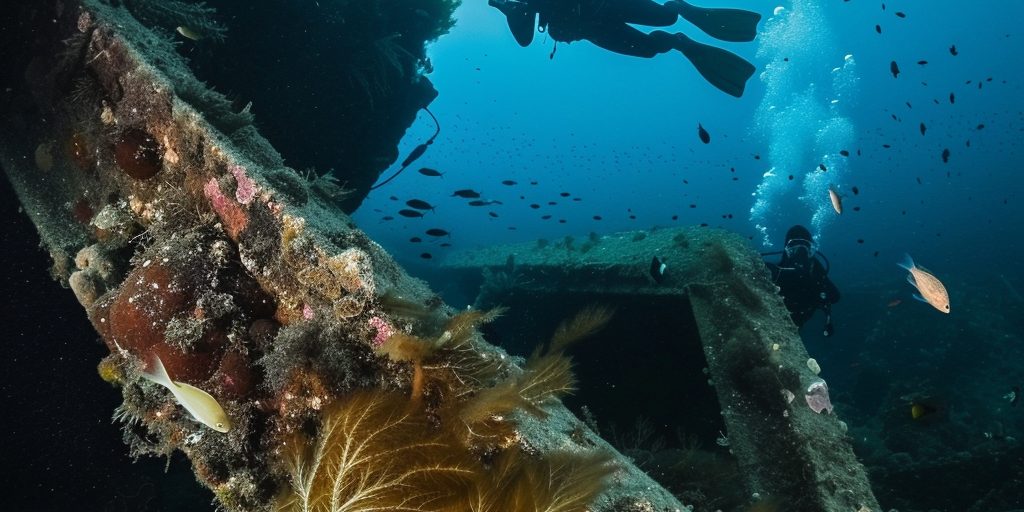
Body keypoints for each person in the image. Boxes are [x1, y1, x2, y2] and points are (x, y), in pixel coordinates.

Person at [488, 0, 761, 97]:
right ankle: (681, 42)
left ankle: (680, 7)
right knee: (649, 49)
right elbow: (525, 40)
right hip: (595, 30)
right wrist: (509, 10)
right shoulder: (525, 5)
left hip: (611, 3)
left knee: (666, 16)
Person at [763, 225, 840, 336]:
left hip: (796, 323)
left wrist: (816, 284)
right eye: (793, 247)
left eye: (805, 247)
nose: (800, 252)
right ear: (786, 249)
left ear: (811, 250)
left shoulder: (817, 271)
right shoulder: (777, 269)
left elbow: (835, 296)